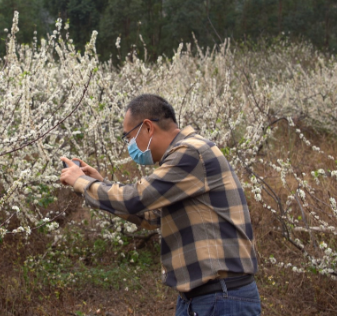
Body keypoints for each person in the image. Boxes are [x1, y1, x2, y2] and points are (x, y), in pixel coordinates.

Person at [60, 94, 261, 316]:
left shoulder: (191, 152)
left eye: (128, 137)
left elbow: (136, 198)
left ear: (147, 128)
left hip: (221, 298)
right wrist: (99, 185)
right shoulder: (182, 159)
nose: (129, 146)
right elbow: (151, 215)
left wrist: (82, 182)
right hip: (200, 298)